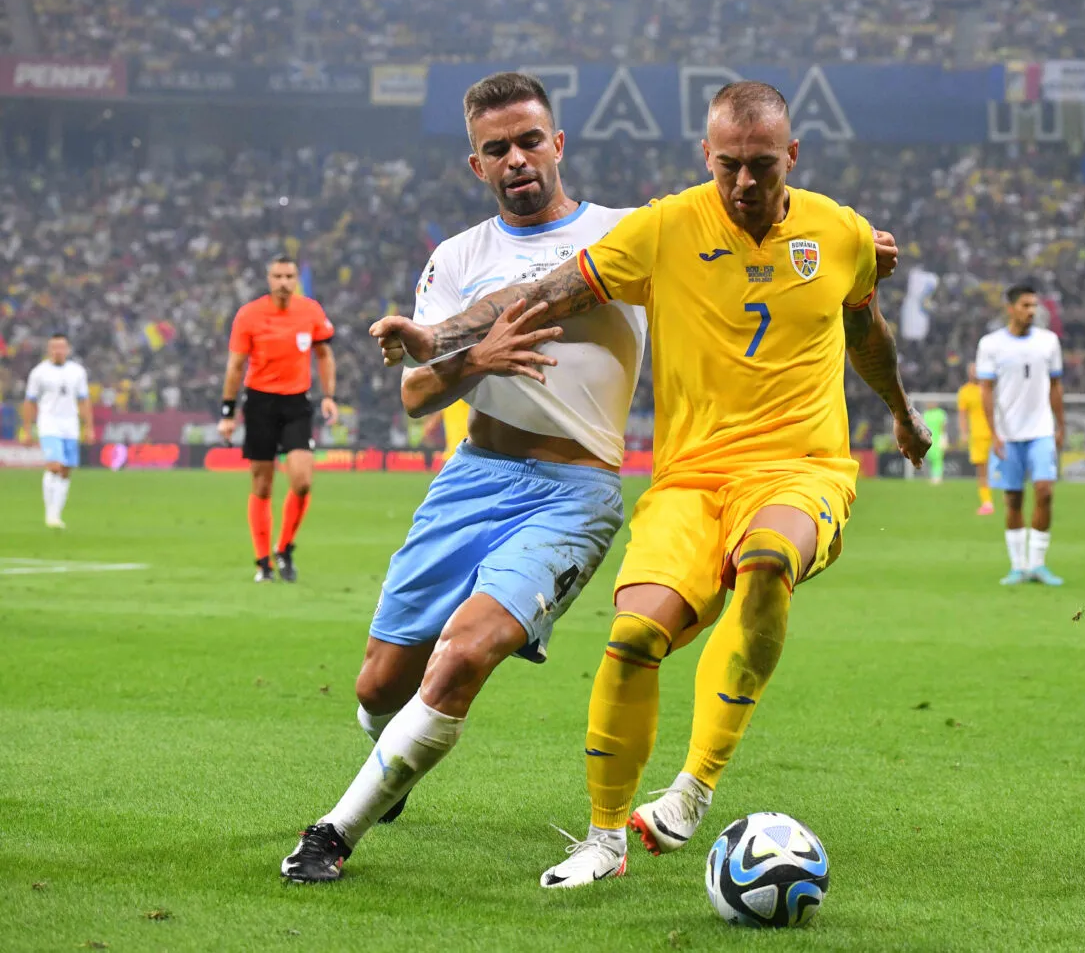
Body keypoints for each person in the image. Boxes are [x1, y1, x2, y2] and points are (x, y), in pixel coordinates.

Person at [279, 72, 899, 884]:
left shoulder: (629, 228)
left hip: (574, 492)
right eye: (497, 148)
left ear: (558, 144)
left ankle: (335, 831)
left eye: (530, 141)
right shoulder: (458, 257)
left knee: (466, 653)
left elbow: (778, 237)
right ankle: (389, 752)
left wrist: (855, 242)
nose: (517, 158)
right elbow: (418, 394)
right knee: (380, 683)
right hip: (474, 477)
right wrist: (466, 351)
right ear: (477, 164)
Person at [217, 257, 338, 583]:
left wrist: (329, 395)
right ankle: (263, 562)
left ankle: (283, 548)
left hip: (297, 403)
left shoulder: (310, 311)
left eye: (289, 276)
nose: (284, 282)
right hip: (260, 403)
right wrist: (228, 412)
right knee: (262, 483)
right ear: (268, 279)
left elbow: (324, 355)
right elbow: (235, 366)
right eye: (278, 276)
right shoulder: (249, 314)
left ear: (296, 279)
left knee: (302, 481)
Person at [977, 283, 1065, 586]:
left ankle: (1038, 564)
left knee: (1045, 492)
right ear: (1011, 308)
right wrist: (994, 433)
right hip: (1008, 434)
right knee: (1013, 499)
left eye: (1034, 306)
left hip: (1041, 430)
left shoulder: (1049, 342)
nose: (1032, 311)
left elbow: (1056, 386)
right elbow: (986, 391)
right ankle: (1018, 566)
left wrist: (1060, 425)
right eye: (1026, 305)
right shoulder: (991, 344)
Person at [21, 333, 91, 529]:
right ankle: (50, 514)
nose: (58, 351)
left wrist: (88, 427)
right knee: (54, 466)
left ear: (67, 349)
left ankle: (56, 513)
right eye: (54, 347)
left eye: (61, 347)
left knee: (66, 470)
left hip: (71, 425)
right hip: (49, 423)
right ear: (48, 349)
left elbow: (84, 400)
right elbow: (30, 401)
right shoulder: (39, 373)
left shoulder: (77, 372)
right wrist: (27, 429)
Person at [956, 362, 994, 514]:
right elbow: (962, 415)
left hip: (995, 434)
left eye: (976, 370)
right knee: (982, 470)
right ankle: (987, 502)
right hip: (977, 435)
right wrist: (964, 433)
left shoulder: (990, 388)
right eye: (972, 370)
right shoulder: (964, 391)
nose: (975, 373)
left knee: (1001, 469)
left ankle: (1008, 500)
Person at [922, 403, 947, 484]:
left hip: (938, 440)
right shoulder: (925, 414)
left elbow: (943, 426)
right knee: (930, 458)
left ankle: (937, 477)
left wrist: (943, 438)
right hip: (927, 440)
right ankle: (933, 476)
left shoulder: (941, 413)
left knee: (938, 459)